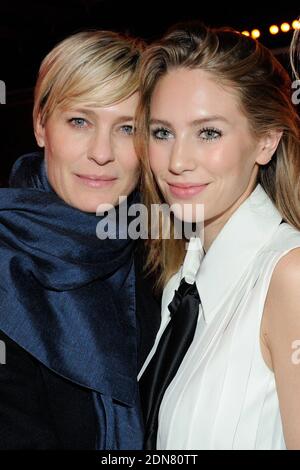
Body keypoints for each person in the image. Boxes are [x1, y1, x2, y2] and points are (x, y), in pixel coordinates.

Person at [136, 23, 300, 450]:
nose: (177, 161)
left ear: (266, 141)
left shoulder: (290, 278)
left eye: (208, 132)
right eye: (162, 132)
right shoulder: (181, 281)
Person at [0, 30, 161, 449]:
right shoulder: (5, 260)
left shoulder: (165, 256)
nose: (101, 152)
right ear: (40, 126)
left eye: (126, 128)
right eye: (79, 121)